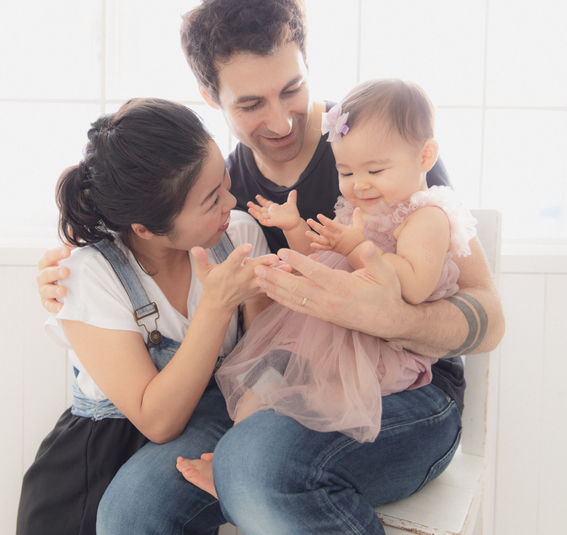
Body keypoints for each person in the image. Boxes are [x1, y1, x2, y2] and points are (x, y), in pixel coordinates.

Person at [35, 1, 505, 533]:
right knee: (132, 511)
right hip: (277, 391)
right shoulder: (218, 195)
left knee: (256, 468)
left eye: (292, 89)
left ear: (308, 61)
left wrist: (392, 317)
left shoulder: (375, 143)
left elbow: (490, 317)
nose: (280, 121)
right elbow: (140, 231)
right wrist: (73, 263)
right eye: (251, 103)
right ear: (210, 95)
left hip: (406, 392)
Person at [175, 79, 478, 498]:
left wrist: (356, 247)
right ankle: (231, 459)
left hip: (378, 349)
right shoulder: (357, 208)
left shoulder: (426, 217)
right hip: (324, 336)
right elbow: (320, 262)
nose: (358, 184)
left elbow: (412, 285)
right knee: (263, 378)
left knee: (311, 405)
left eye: (375, 171)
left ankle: (247, 466)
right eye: (346, 172)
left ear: (425, 157)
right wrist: (295, 227)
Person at [16, 97, 278, 535]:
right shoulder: (88, 275)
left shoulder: (238, 235)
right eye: (212, 199)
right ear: (146, 228)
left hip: (190, 451)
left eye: (225, 183)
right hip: (93, 473)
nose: (231, 202)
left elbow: (264, 361)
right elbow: (158, 421)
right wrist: (216, 305)